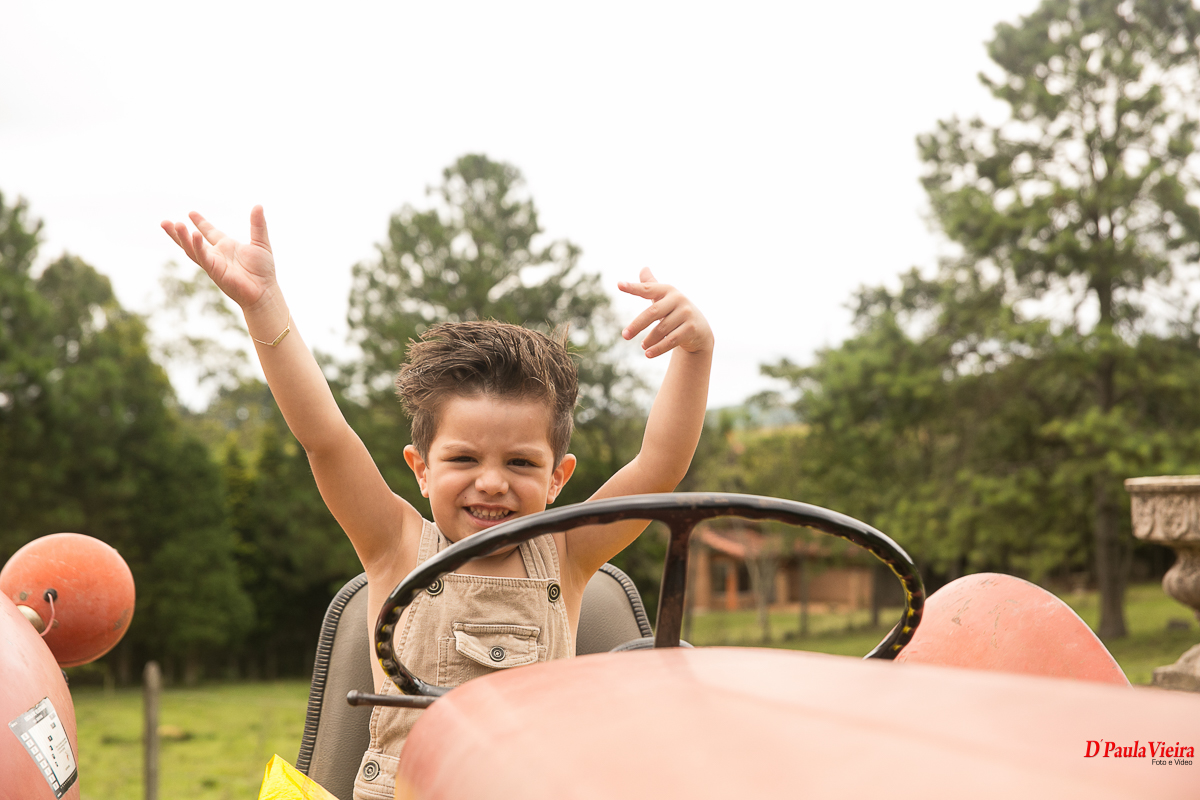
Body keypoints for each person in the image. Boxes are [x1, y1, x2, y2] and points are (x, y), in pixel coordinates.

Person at [161, 206, 713, 799]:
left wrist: (695, 353)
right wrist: (264, 305)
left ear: (558, 479)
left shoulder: (569, 555)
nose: (492, 483)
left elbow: (659, 465)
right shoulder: (394, 545)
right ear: (421, 469)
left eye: (521, 463)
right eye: (464, 459)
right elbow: (324, 437)